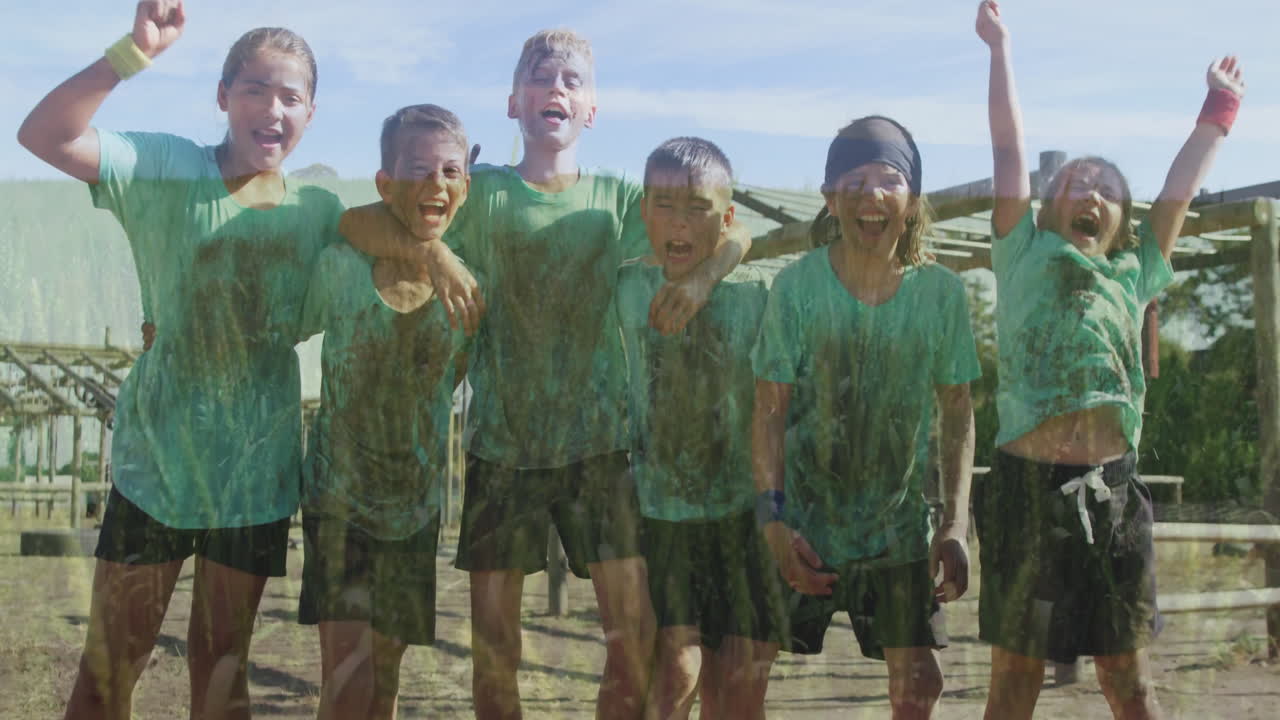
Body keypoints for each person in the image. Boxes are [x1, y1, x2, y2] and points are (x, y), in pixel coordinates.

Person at [339, 28, 751, 720]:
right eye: (540, 77)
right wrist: (434, 252)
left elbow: (734, 230)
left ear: (592, 109)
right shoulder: (483, 192)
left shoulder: (619, 197)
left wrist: (708, 276)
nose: (555, 88)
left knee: (633, 641)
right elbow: (358, 224)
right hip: (502, 448)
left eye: (571, 81)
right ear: (513, 103)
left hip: (600, 448)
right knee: (494, 649)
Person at [17, 1, 342, 718]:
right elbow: (43, 134)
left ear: (311, 114)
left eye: (292, 96)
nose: (272, 108)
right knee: (110, 671)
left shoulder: (316, 213)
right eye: (255, 89)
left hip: (255, 479)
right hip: (156, 466)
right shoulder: (167, 168)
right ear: (223, 97)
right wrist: (131, 53)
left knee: (223, 668)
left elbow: (389, 240)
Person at [974, 2, 1245, 718]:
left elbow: (1180, 189)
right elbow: (1007, 149)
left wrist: (1218, 111)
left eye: (1107, 190)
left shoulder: (1136, 273)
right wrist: (1000, 50)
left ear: (1122, 223)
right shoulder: (1023, 252)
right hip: (1025, 494)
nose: (1089, 192)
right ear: (1043, 208)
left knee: (1129, 679)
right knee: (1015, 679)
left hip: (1113, 490)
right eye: (1074, 184)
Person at [751, 115, 980, 720]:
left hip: (894, 531)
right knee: (739, 666)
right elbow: (769, 411)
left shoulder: (940, 294)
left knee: (919, 683)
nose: (870, 195)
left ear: (911, 201)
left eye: (888, 179)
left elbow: (957, 413)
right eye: (853, 180)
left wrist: (955, 524)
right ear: (830, 198)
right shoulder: (797, 288)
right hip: (800, 523)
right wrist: (772, 521)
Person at [296, 104, 472, 720]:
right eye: (417, 168)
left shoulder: (471, 291)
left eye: (450, 170)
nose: (435, 183)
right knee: (345, 680)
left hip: (414, 507)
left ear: (466, 188)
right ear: (385, 182)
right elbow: (280, 326)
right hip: (337, 498)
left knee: (385, 678)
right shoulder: (339, 267)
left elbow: (455, 376)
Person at [617, 137, 785, 720]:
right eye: (664, 205)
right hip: (662, 519)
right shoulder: (624, 287)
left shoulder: (761, 292)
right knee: (676, 675)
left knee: (739, 692)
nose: (679, 221)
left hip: (749, 517)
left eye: (698, 208)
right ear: (644, 212)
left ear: (727, 216)